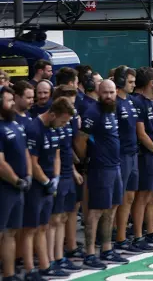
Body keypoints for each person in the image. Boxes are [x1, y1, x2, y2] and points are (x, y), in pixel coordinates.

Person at [21, 97, 74, 281]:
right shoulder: (34, 128)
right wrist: (45, 181)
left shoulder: (54, 128)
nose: (64, 125)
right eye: (62, 121)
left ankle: (45, 266)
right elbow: (32, 162)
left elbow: (57, 155)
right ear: (52, 114)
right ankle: (29, 270)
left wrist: (56, 177)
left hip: (50, 184)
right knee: (30, 229)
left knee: (44, 226)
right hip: (36, 186)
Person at [75, 79, 126, 267]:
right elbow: (81, 139)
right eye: (105, 93)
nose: (109, 96)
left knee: (112, 208)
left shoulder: (112, 110)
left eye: (112, 92)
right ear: (98, 92)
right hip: (100, 168)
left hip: (115, 166)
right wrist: (84, 160)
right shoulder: (93, 112)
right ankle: (90, 253)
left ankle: (106, 249)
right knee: (95, 211)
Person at [131, 68, 153, 248]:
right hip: (146, 155)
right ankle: (138, 235)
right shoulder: (137, 102)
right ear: (151, 83)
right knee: (142, 196)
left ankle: (151, 232)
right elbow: (141, 133)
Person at [0, 86, 30, 281]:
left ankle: (10, 274)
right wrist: (16, 180)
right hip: (5, 188)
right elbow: (0, 163)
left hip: (18, 187)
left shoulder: (16, 125)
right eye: (9, 101)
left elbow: (25, 152)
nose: (12, 104)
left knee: (11, 232)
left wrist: (27, 175)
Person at [111, 67, 140, 253]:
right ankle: (116, 236)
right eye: (130, 82)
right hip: (121, 155)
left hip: (133, 153)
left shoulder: (130, 101)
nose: (133, 85)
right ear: (120, 82)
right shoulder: (114, 104)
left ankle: (122, 235)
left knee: (129, 197)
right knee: (118, 199)